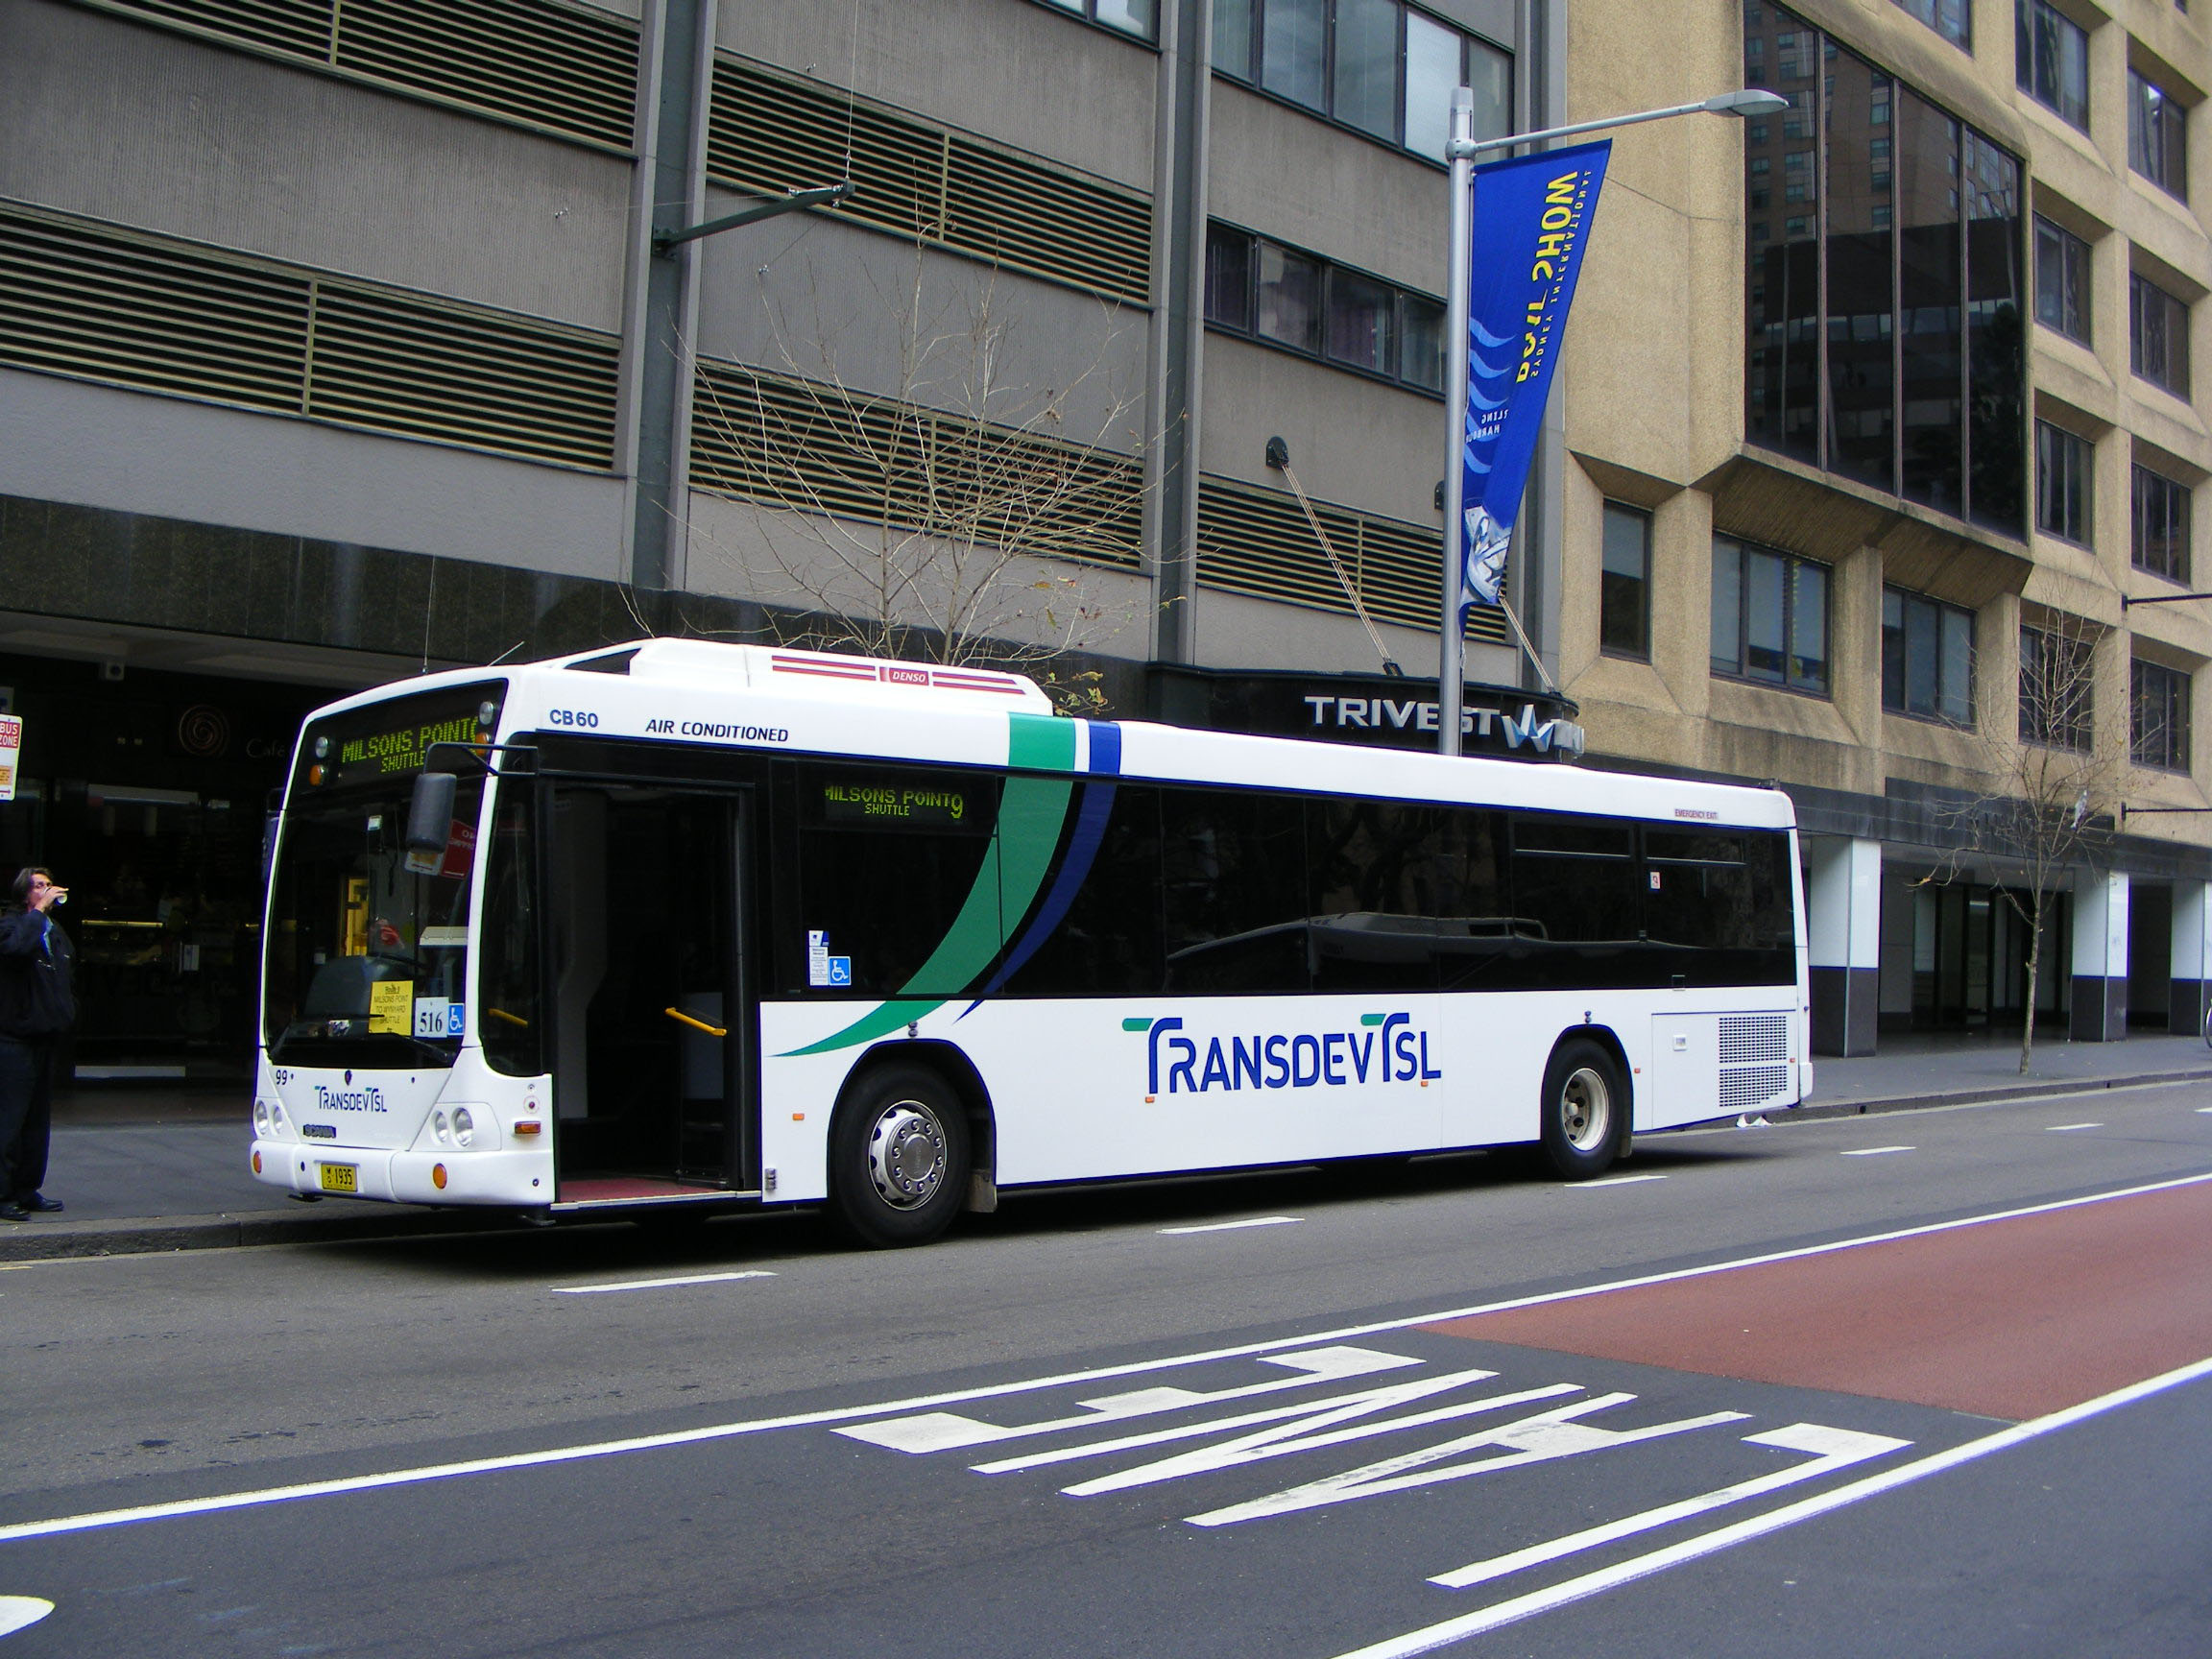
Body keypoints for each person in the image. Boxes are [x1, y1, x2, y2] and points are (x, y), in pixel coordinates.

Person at [0, 867, 74, 1220]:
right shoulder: (12, 925)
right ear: (24, 893)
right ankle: (3, 1193)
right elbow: (15, 950)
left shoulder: (51, 929)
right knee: (10, 1119)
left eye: (49, 884)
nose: (47, 891)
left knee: (36, 1122)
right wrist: (38, 913)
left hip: (45, 1035)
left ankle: (27, 1188)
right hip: (14, 1038)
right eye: (39, 886)